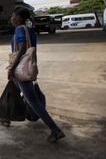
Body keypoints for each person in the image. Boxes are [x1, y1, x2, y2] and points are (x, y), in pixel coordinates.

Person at [7, 7, 65, 143]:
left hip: (21, 70)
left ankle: (55, 130)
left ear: (19, 18)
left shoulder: (20, 29)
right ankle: (5, 116)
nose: (11, 18)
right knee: (13, 90)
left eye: (13, 15)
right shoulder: (30, 30)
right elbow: (30, 50)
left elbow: (21, 50)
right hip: (25, 68)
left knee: (33, 101)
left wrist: (12, 68)